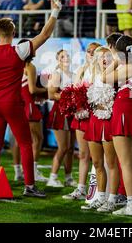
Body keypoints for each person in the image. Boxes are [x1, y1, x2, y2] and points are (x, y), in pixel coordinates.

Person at [0, 1, 62, 198]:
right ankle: (29, 186)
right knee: (25, 143)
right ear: (13, 34)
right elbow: (45, 35)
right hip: (12, 103)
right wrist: (55, 10)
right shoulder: (19, 51)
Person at [102, 35, 132, 216]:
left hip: (124, 110)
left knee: (127, 164)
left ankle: (131, 206)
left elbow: (104, 77)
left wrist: (114, 62)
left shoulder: (129, 68)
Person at [83, 46, 121, 212]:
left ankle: (112, 199)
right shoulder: (93, 75)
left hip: (109, 121)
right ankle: (100, 198)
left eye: (107, 56)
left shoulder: (115, 76)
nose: (104, 59)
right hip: (94, 120)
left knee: (111, 163)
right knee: (97, 162)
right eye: (101, 57)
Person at [62, 42, 101, 200]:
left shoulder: (103, 70)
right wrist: (75, 104)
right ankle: (81, 189)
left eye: (94, 51)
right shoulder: (81, 69)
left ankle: (99, 190)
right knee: (83, 154)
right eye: (89, 51)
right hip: (82, 116)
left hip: (96, 115)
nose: (91, 54)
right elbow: (75, 90)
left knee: (98, 157)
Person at [46, 50, 76, 188]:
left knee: (70, 148)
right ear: (58, 60)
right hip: (60, 112)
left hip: (72, 113)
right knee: (63, 147)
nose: (66, 58)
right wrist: (70, 98)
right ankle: (52, 177)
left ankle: (68, 178)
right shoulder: (57, 74)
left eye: (67, 56)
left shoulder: (74, 75)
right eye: (62, 56)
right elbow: (52, 95)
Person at [20, 45, 48, 182]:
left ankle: (21, 172)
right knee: (37, 140)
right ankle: (33, 172)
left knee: (24, 141)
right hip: (29, 106)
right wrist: (47, 89)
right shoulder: (29, 66)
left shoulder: (16, 66)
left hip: (19, 106)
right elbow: (32, 90)